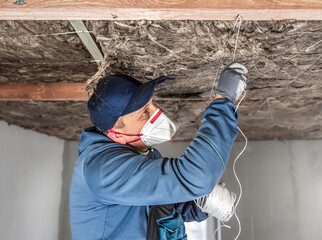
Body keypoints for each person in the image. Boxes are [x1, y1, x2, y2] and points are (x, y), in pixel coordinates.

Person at [69, 62, 248, 240]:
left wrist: (197, 205)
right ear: (117, 135)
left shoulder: (143, 155)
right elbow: (197, 176)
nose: (157, 112)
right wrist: (224, 100)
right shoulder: (102, 169)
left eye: (152, 103)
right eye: (145, 112)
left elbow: (158, 206)